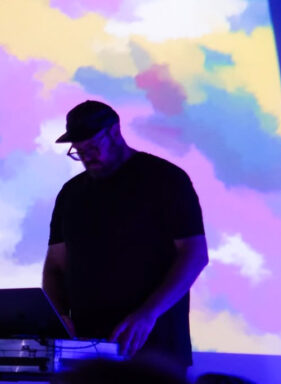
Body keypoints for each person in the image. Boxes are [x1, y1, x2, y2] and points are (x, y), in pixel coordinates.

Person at [43, 100, 208, 371]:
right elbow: (55, 266)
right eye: (79, 152)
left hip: (154, 347)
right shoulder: (71, 193)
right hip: (87, 349)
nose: (87, 157)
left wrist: (148, 313)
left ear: (114, 132)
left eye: (93, 147)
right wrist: (60, 316)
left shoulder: (165, 179)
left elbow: (195, 254)